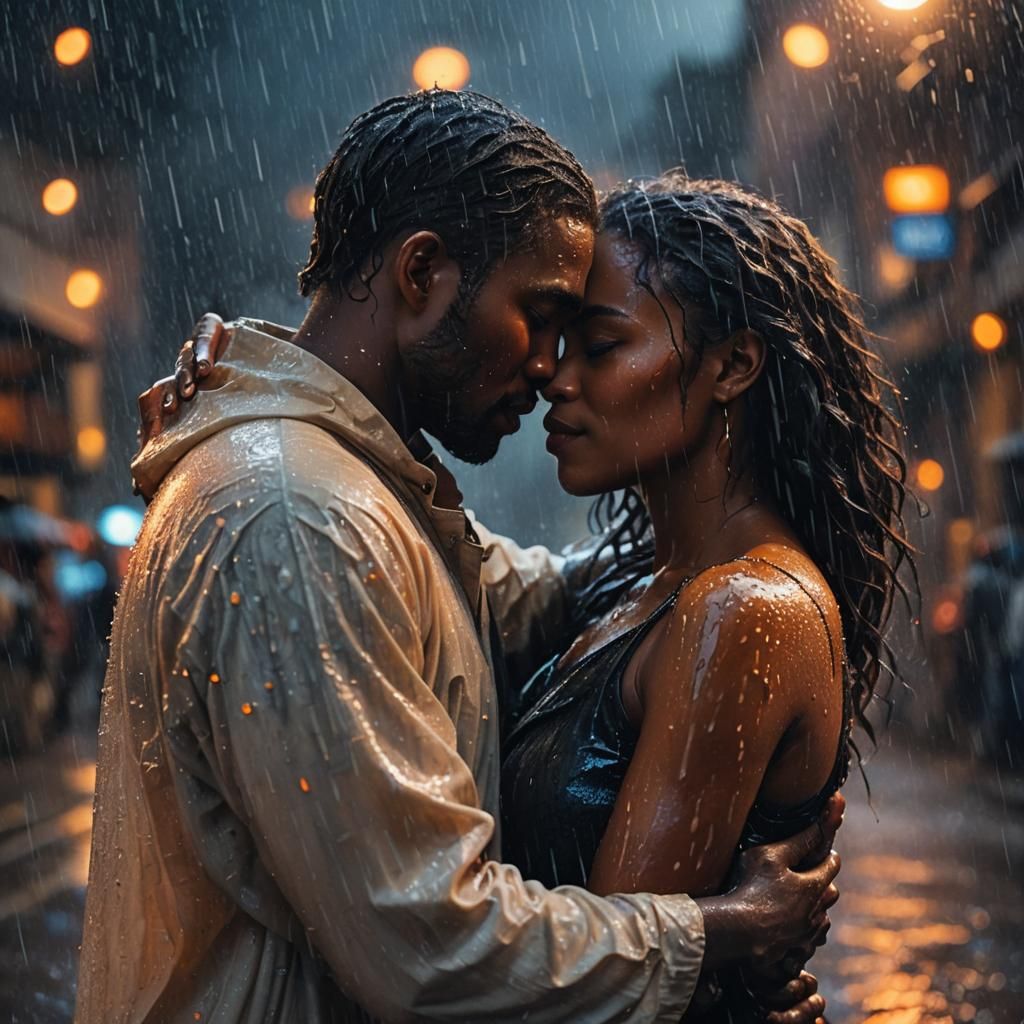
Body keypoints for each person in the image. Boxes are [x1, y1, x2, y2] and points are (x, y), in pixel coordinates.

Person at [83, 91, 841, 1023]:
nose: (550, 367)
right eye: (542, 314)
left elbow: (555, 599)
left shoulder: (355, 490)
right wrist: (719, 935)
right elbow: (428, 947)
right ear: (423, 274)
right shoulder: (296, 514)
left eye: (590, 341)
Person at [495, 175, 915, 1017]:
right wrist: (255, 376)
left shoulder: (746, 611)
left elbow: (609, 983)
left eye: (602, 347)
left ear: (732, 366)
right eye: (560, 345)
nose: (554, 378)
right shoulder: (639, 585)